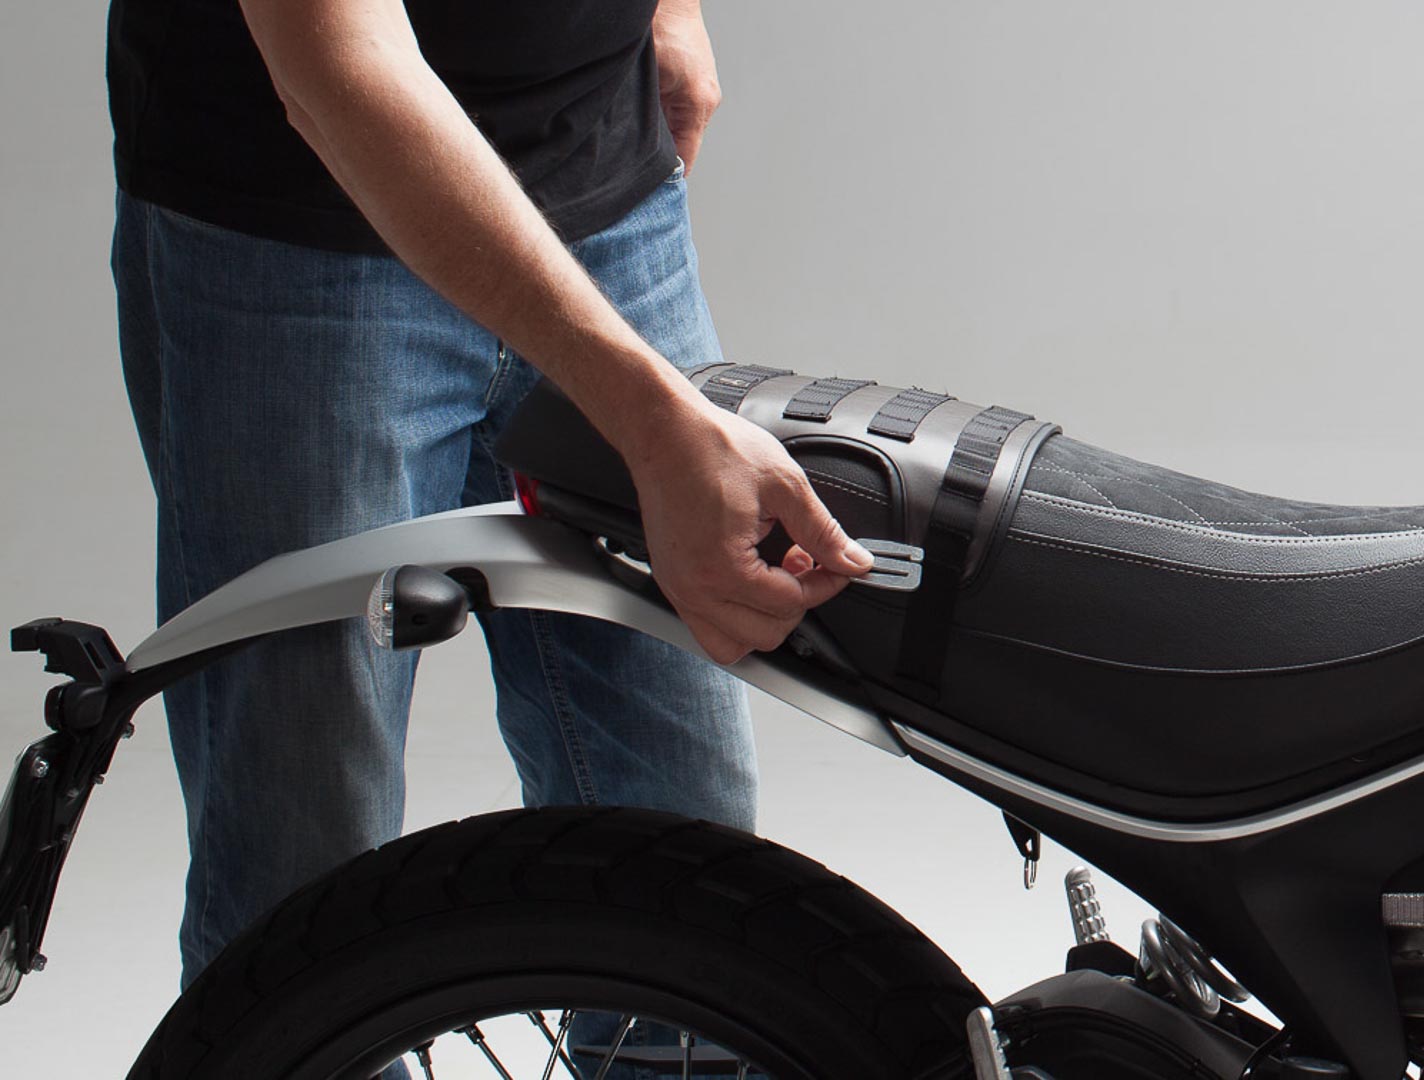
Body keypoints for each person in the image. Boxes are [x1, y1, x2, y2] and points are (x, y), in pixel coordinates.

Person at [107, 0, 872, 1011]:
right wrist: (656, 425)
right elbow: (342, 72)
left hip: (604, 183)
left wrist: (671, 10)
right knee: (303, 863)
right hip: (301, 232)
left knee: (686, 835)